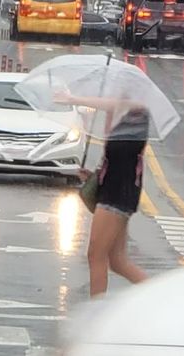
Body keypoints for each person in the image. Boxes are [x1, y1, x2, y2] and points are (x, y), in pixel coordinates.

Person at [56, 91, 149, 298]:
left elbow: (114, 103)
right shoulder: (126, 121)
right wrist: (93, 177)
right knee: (117, 261)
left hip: (117, 195)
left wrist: (75, 99)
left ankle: (96, 311)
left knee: (95, 255)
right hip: (113, 190)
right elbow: (114, 159)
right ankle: (163, 298)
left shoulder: (139, 115)